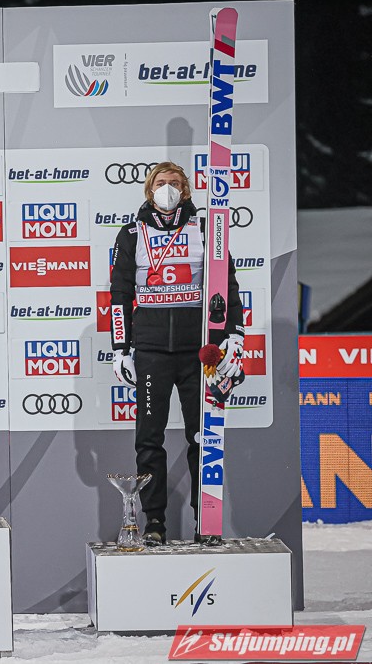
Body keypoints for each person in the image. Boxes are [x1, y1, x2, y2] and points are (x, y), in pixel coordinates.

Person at [109, 161, 245, 545]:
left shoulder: (204, 229)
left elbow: (228, 288)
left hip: (197, 353)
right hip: (151, 350)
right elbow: (120, 295)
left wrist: (234, 335)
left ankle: (207, 522)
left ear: (185, 190)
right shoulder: (132, 233)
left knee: (203, 438)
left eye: (174, 182)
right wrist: (120, 349)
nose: (167, 188)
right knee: (149, 440)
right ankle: (154, 524)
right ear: (149, 190)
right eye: (160, 182)